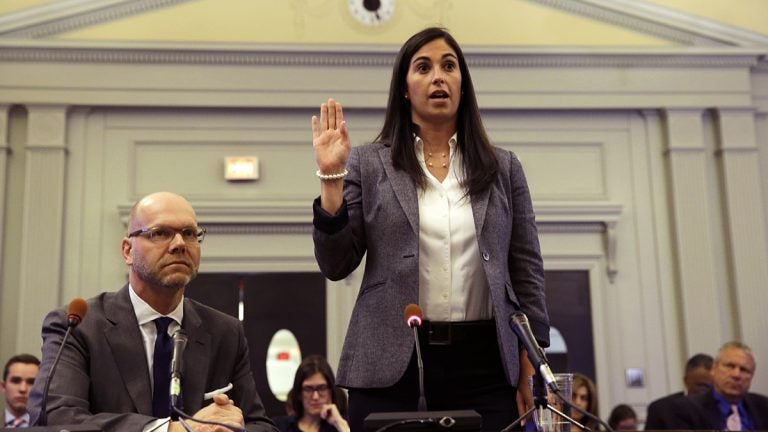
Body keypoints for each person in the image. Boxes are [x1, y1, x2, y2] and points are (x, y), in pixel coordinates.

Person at [310, 27, 549, 431]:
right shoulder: (370, 164)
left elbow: (527, 270)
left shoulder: (503, 168)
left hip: (486, 364)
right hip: (391, 364)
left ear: (462, 83)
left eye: (449, 66)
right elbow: (336, 263)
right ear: (405, 88)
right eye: (423, 67)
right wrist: (331, 178)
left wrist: (530, 357)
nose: (438, 76)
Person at [28, 191, 277, 432]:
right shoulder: (79, 325)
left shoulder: (225, 331)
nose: (180, 244)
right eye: (160, 233)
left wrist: (231, 426)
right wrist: (173, 430)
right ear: (127, 250)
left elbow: (261, 425)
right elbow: (57, 418)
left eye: (189, 233)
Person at [646, 341, 768, 430]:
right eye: (729, 366)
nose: (736, 375)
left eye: (744, 370)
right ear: (714, 369)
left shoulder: (763, 407)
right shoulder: (683, 409)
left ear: (751, 376)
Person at [273, 355, 349, 432]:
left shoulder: (343, 424)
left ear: (331, 391)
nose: (315, 397)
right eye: (308, 389)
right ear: (299, 392)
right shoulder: (280, 426)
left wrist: (339, 423)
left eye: (322, 388)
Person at [644, 353, 713, 429]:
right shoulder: (660, 409)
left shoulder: (722, 409)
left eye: (713, 387)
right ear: (686, 381)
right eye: (702, 386)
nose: (708, 392)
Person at [2, 354, 40, 428]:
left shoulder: (55, 428)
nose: (23, 389)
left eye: (31, 382)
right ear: (3, 386)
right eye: (16, 381)